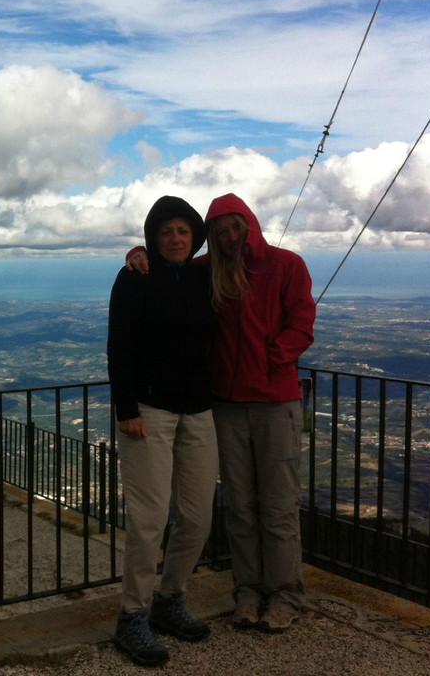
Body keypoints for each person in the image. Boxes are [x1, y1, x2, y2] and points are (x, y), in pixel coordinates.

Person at [125, 193, 315, 633]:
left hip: (274, 402)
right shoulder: (208, 268)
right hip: (226, 406)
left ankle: (285, 595)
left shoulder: (287, 264)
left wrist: (273, 358)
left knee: (279, 507)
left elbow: (302, 322)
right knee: (241, 509)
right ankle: (247, 593)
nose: (229, 237)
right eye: (220, 231)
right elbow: (166, 260)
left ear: (249, 224)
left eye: (235, 227)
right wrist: (137, 253)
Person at [107, 195, 219, 666]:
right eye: (166, 231)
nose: (175, 238)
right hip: (148, 414)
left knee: (197, 517)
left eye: (184, 231)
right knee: (150, 519)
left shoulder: (201, 274)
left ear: (195, 238)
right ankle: (133, 614)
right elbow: (119, 344)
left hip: (198, 412)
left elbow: (243, 254)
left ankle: (170, 599)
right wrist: (126, 408)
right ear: (153, 237)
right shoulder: (135, 276)